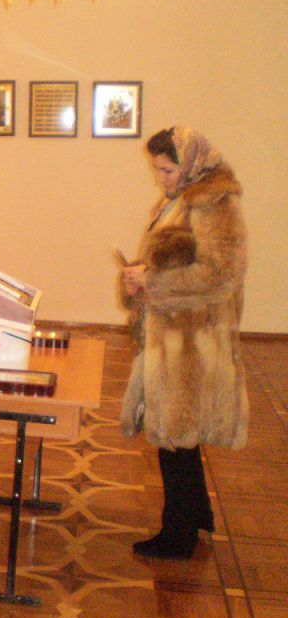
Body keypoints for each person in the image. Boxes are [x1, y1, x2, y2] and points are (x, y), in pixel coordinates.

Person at [120, 126, 247, 559]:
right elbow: (166, 260)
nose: (161, 179)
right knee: (178, 434)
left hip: (194, 339)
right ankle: (196, 515)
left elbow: (220, 275)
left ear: (191, 164)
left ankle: (178, 536)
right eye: (157, 170)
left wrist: (152, 282)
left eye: (167, 171)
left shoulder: (214, 203)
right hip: (172, 334)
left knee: (175, 436)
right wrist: (137, 279)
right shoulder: (179, 201)